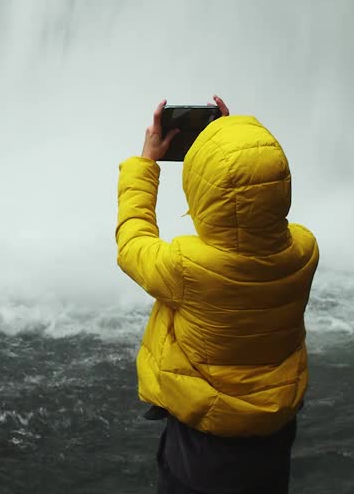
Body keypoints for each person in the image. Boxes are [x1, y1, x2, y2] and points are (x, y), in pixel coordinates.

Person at [116, 96, 320, 494]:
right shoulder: (303, 250)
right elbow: (252, 201)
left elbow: (132, 242)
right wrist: (225, 134)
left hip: (205, 437)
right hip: (274, 429)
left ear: (200, 189)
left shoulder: (186, 267)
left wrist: (146, 164)